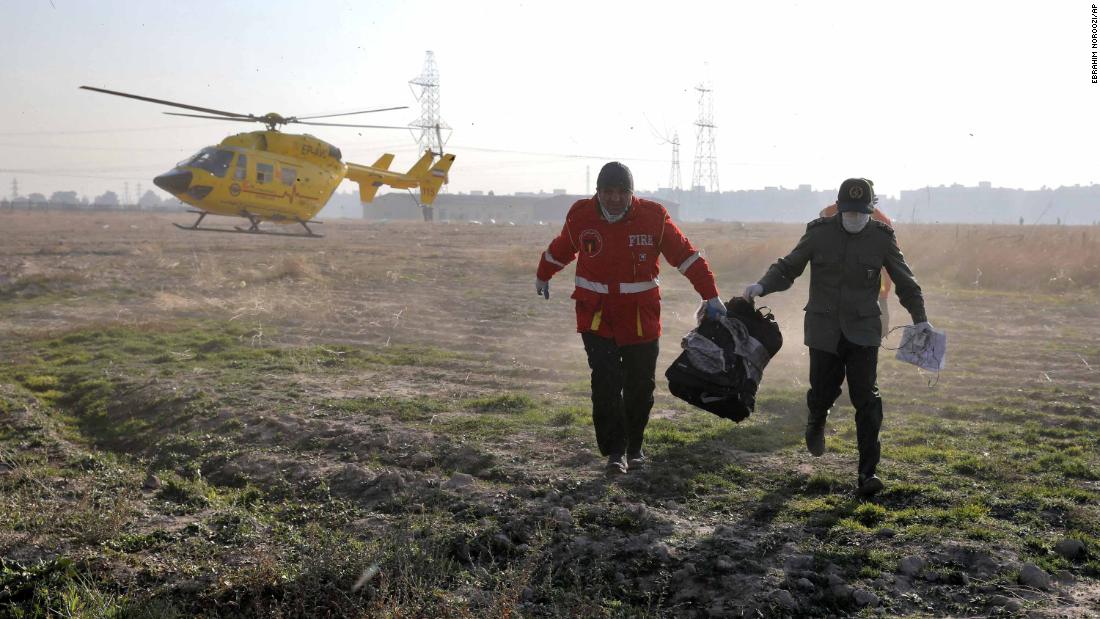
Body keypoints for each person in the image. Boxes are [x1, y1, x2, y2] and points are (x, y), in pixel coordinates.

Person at [742, 178, 932, 496]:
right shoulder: (818, 233)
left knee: (866, 399)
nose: (855, 219)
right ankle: (816, 420)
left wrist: (921, 320)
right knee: (822, 391)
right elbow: (789, 267)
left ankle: (868, 473)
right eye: (849, 213)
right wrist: (761, 286)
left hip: (863, 331)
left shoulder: (882, 238)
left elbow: (906, 282)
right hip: (824, 329)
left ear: (871, 211)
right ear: (839, 209)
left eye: (861, 214)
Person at [535, 161, 726, 475]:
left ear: (631, 193)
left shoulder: (654, 218)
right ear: (597, 192)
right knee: (606, 383)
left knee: (640, 386)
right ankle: (614, 452)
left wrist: (711, 293)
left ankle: (634, 446)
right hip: (596, 316)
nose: (614, 198)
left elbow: (686, 256)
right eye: (607, 191)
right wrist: (543, 274)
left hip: (640, 318)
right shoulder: (581, 216)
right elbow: (562, 248)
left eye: (621, 192)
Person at [818, 192, 894, 337]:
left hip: (875, 287)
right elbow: (822, 215)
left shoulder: (881, 220)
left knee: (877, 331)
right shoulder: (841, 216)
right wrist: (841, 205)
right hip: (847, 286)